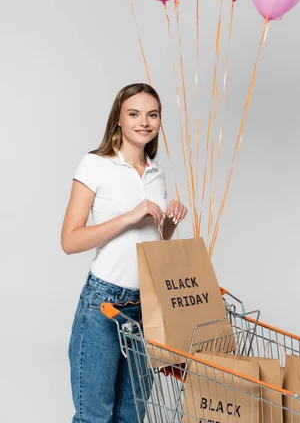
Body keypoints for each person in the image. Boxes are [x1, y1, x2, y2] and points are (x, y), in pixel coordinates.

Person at [61, 83, 187, 423]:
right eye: (134, 114)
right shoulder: (95, 165)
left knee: (132, 414)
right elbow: (70, 241)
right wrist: (130, 215)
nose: (144, 122)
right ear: (118, 118)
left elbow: (154, 244)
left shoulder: (156, 173)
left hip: (146, 306)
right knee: (94, 416)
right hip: (104, 304)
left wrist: (171, 222)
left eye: (152, 115)